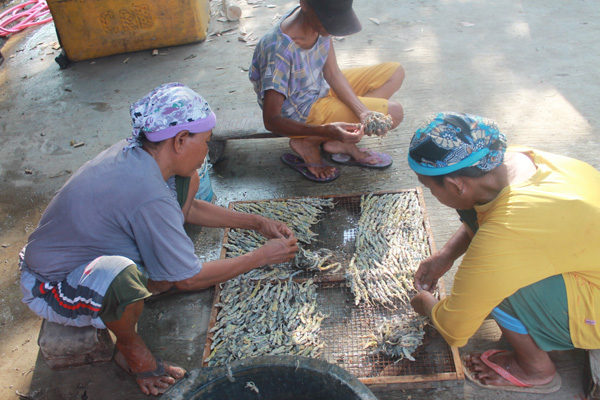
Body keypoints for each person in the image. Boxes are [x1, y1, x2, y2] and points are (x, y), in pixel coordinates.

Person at [18, 83, 299, 396]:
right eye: (206, 142)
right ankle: (132, 353)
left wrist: (256, 222)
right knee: (124, 280)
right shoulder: (146, 192)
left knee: (188, 178)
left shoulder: (141, 155)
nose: (208, 149)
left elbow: (188, 207)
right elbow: (189, 280)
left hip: (86, 249)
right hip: (51, 284)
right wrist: (263, 256)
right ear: (180, 140)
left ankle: (145, 286)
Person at [407, 112, 600, 394]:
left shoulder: (508, 229)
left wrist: (425, 301)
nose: (433, 194)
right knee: (483, 242)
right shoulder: (509, 159)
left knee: (494, 284)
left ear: (454, 184)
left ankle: (535, 369)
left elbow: (455, 330)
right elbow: (480, 212)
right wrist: (446, 253)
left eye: (430, 188)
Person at [249, 0, 405, 182]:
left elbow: (332, 73)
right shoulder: (280, 51)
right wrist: (325, 130)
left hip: (319, 85)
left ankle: (339, 138)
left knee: (394, 72)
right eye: (328, 21)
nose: (332, 28)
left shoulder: (318, 20)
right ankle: (309, 141)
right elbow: (271, 120)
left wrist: (363, 112)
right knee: (394, 112)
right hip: (299, 109)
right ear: (304, 4)